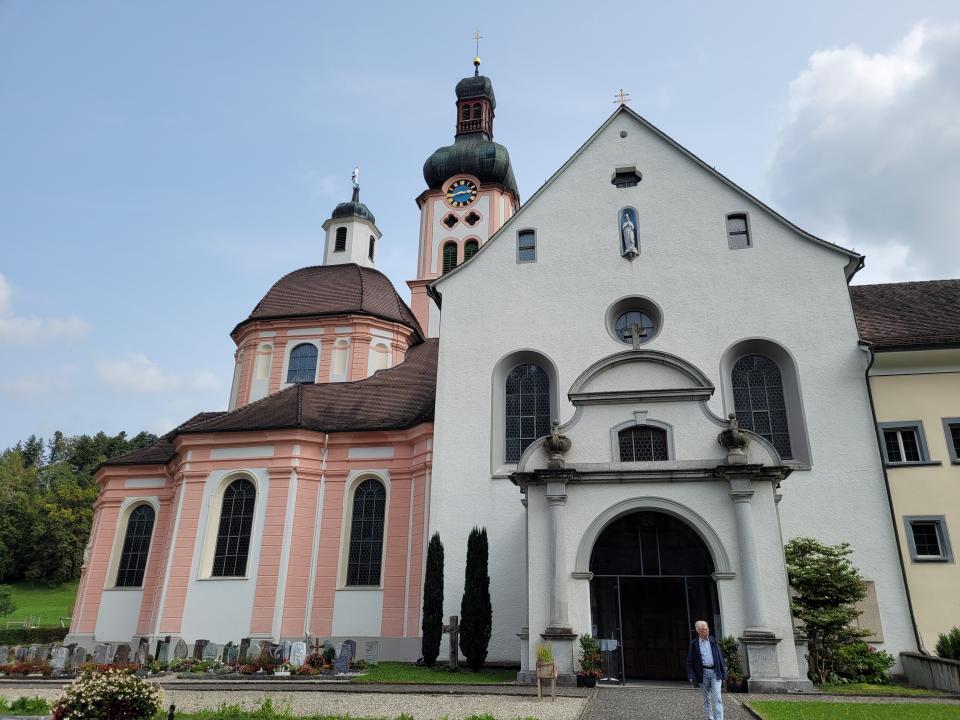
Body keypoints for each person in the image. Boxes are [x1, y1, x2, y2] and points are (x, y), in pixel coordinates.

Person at [686, 620, 726, 720]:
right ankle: (710, 718)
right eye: (704, 630)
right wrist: (691, 675)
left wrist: (723, 671)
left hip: (715, 673)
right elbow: (689, 661)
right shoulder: (694, 644)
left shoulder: (713, 640)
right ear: (698, 631)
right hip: (703, 674)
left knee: (717, 698)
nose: (707, 631)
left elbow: (719, 656)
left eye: (707, 629)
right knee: (707, 699)